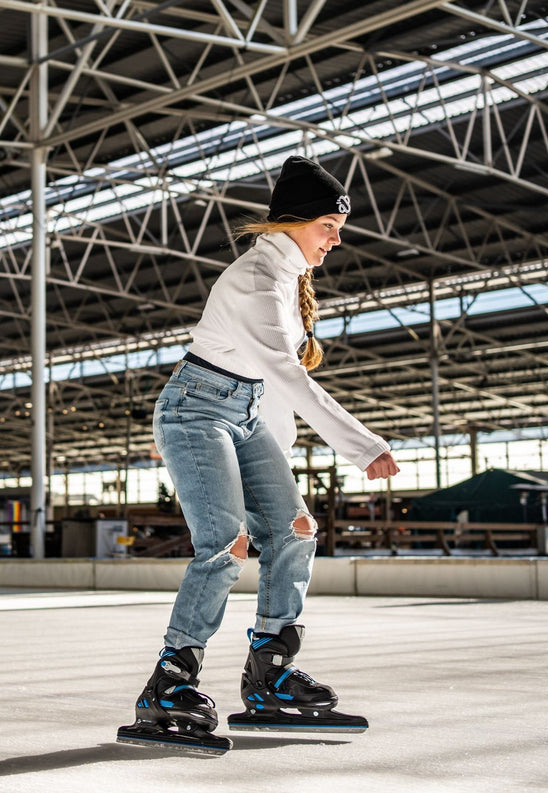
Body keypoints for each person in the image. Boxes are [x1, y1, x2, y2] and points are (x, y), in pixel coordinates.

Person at [116, 155, 400, 755]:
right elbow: (287, 376)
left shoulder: (284, 277)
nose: (336, 238)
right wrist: (363, 445)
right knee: (224, 544)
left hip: (243, 415)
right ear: (294, 222)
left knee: (296, 527)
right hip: (195, 411)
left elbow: (266, 388)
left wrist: (280, 471)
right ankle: (168, 683)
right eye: (329, 225)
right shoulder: (256, 281)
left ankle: (269, 671)